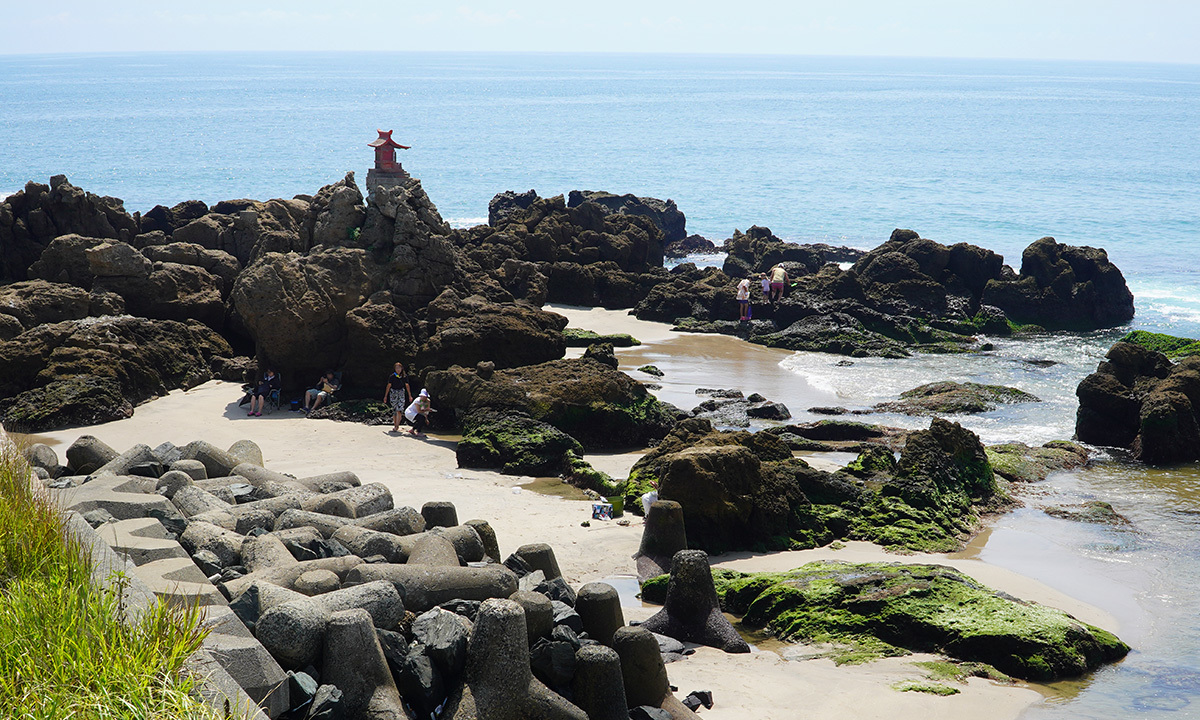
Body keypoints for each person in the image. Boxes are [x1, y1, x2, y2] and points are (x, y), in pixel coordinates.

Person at [383, 362, 412, 433]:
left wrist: (409, 395)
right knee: (394, 410)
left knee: (400, 409)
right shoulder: (392, 376)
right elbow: (389, 386)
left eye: (399, 368)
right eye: (396, 368)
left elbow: (407, 385)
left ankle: (397, 426)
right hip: (393, 393)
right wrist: (385, 396)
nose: (398, 369)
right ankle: (395, 425)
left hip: (401, 392)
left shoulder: (404, 376)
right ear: (395, 369)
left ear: (402, 368)